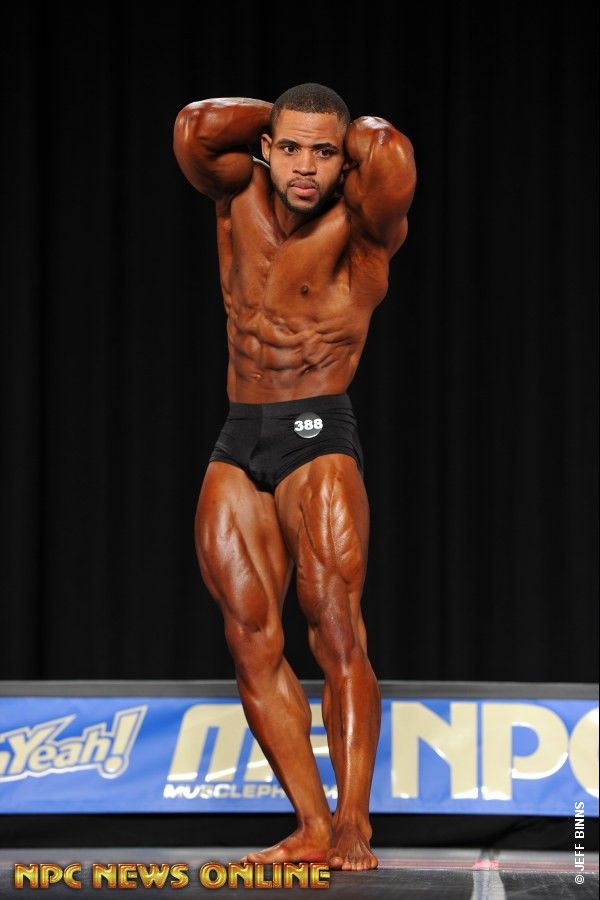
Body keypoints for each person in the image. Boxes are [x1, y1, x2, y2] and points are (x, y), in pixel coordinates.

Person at [173, 82, 416, 871]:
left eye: (324, 152)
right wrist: (283, 121)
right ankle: (310, 825)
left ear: (343, 162)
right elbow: (195, 127)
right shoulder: (235, 194)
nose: (306, 166)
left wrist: (347, 135)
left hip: (319, 434)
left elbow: (390, 154)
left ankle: (353, 823)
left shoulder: (364, 227)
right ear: (266, 149)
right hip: (239, 434)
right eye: (290, 149)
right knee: (250, 640)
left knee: (337, 632)